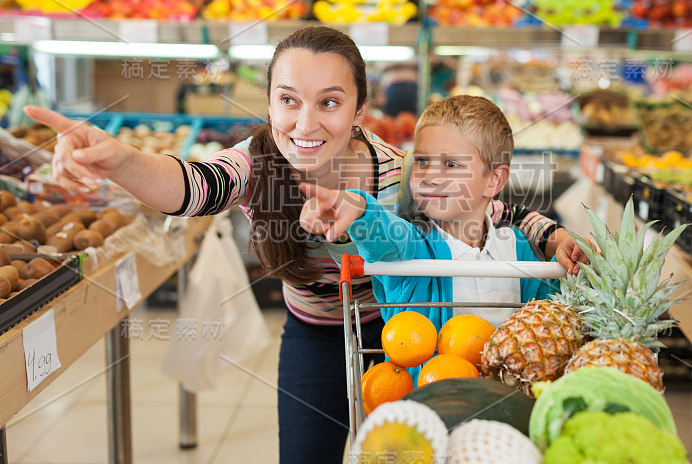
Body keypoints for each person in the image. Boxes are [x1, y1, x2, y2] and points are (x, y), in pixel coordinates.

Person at [25, 26, 587, 464]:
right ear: (268, 104)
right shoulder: (256, 165)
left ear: (360, 111)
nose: (305, 123)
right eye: (289, 100)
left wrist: (552, 233)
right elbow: (191, 187)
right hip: (315, 338)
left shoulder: (397, 172)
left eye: (329, 102)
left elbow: (495, 209)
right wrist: (121, 160)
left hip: (406, 340)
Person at [299, 95, 563, 337]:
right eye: (422, 161)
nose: (430, 177)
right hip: (433, 387)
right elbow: (385, 236)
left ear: (494, 180)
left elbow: (546, 316)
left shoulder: (517, 247)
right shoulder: (412, 243)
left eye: (451, 164)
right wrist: (358, 208)